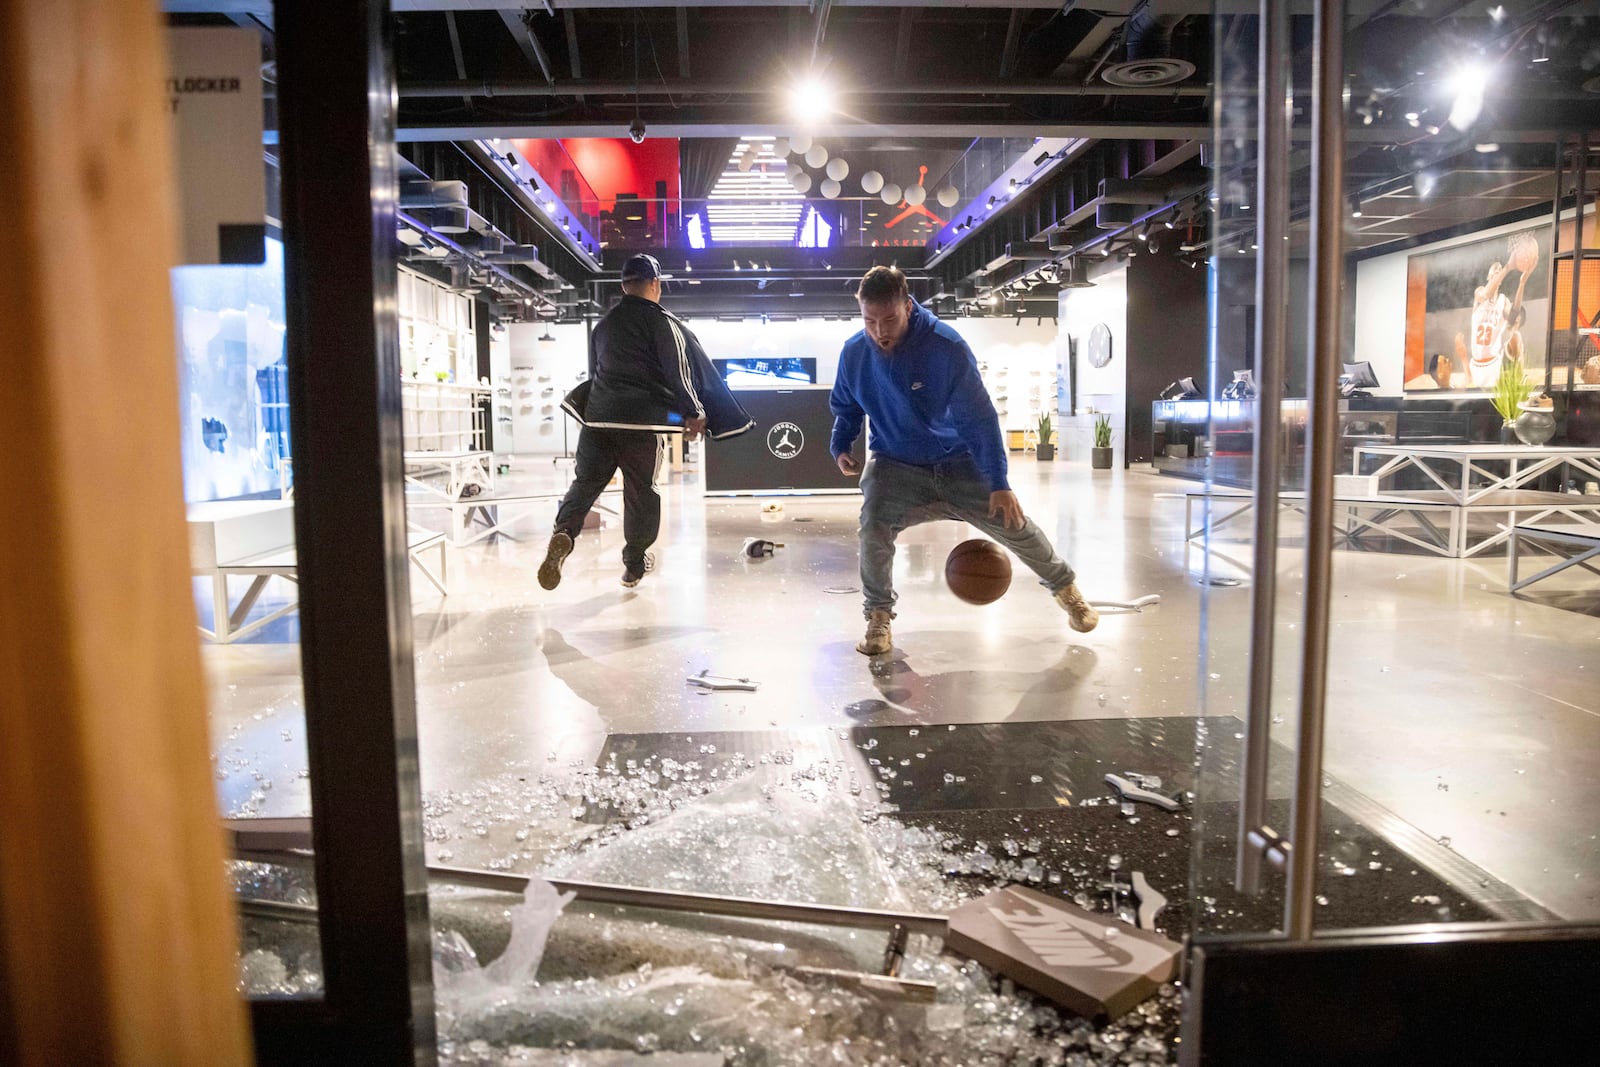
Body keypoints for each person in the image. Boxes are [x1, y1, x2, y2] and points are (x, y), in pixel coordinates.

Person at [829, 265, 1098, 656]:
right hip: (895, 464)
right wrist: (841, 444)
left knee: (1015, 523)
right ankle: (878, 617)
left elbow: (979, 417)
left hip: (958, 461)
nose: (879, 331)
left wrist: (999, 482)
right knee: (873, 526)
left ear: (908, 305)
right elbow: (847, 406)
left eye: (889, 319)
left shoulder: (945, 346)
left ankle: (1066, 590)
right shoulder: (855, 353)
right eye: (870, 321)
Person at [539, 253, 753, 590]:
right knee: (641, 492)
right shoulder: (661, 322)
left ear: (624, 285)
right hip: (640, 425)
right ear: (655, 284)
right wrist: (695, 411)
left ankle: (563, 532)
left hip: (596, 421)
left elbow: (596, 373)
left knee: (586, 482)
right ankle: (633, 565)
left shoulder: (603, 326)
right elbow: (677, 372)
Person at [1456, 233, 1534, 388]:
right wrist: (1506, 268)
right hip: (1475, 364)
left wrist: (1522, 283)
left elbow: (1513, 316)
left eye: (1500, 269)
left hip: (1493, 364)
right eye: (1495, 269)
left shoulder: (1503, 300)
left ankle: (1521, 376)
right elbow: (1485, 294)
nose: (1498, 270)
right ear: (1488, 276)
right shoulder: (1479, 292)